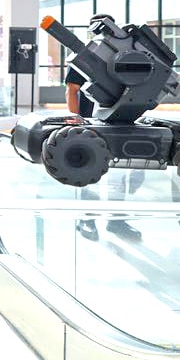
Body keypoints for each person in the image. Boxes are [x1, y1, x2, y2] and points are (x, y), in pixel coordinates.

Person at [64, 62, 142, 242]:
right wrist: (78, 120)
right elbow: (72, 90)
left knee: (119, 177)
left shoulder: (127, 58)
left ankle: (117, 221)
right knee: (89, 172)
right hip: (90, 125)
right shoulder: (84, 58)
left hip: (119, 123)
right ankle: (86, 219)